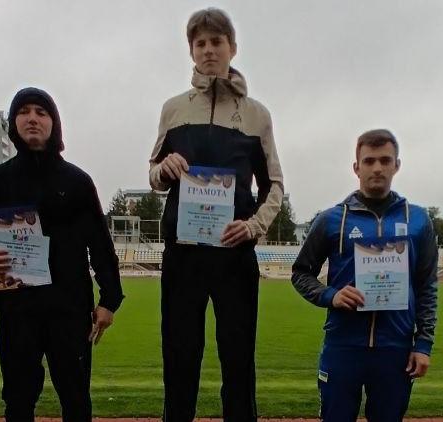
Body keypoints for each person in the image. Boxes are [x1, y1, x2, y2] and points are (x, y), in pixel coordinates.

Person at [149, 8, 284, 421]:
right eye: (200, 43)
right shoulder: (173, 109)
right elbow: (154, 175)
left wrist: (254, 225)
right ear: (191, 50)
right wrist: (164, 169)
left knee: (238, 359)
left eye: (216, 42)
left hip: (233, 253)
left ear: (232, 48)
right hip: (183, 254)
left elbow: (274, 185)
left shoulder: (257, 114)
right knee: (179, 356)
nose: (208, 50)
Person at [0, 87, 124, 421]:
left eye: (41, 112)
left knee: (75, 399)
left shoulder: (77, 181)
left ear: (54, 123)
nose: (32, 118)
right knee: (18, 399)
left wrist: (109, 300)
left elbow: (100, 244)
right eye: (24, 112)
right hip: (16, 309)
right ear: (13, 123)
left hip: (70, 308)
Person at [291, 129, 438, 421]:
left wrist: (423, 344)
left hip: (395, 349)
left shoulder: (418, 220)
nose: (377, 168)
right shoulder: (332, 219)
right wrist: (331, 295)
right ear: (356, 167)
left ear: (397, 165)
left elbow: (427, 286)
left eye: (385, 160)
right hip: (342, 346)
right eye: (369, 161)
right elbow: (301, 273)